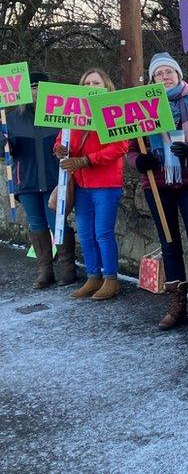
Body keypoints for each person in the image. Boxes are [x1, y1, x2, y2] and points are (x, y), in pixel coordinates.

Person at [128, 52, 188, 331]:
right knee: (169, 243)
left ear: (179, 75)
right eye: (159, 74)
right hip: (157, 182)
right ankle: (178, 303)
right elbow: (129, 150)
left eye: (169, 72)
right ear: (152, 79)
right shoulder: (140, 108)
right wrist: (140, 162)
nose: (165, 77)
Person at [0, 71, 77, 288]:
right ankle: (45, 270)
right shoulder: (12, 119)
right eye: (32, 88)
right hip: (27, 181)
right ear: (25, 91)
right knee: (36, 225)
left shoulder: (59, 115)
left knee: (58, 223)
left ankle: (67, 267)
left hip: (55, 179)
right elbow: (6, 153)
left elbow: (71, 144)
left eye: (40, 88)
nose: (36, 92)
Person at [57, 69, 128, 300]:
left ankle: (110, 279)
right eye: (86, 82)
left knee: (103, 233)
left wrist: (87, 160)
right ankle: (93, 276)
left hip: (105, 183)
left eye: (95, 82)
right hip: (81, 182)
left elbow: (120, 147)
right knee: (86, 234)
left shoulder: (113, 111)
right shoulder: (73, 111)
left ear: (106, 86)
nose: (90, 86)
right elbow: (62, 139)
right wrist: (59, 149)